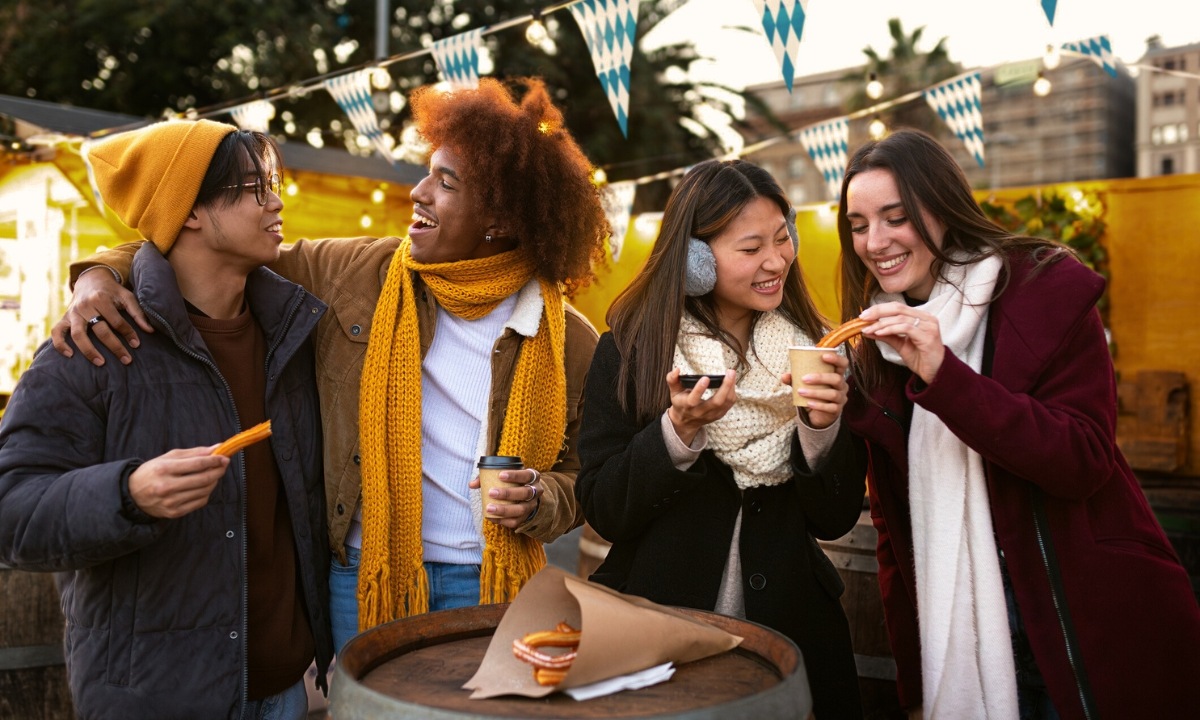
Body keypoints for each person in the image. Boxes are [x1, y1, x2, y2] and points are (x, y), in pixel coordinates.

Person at [52, 77, 609, 653]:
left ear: (503, 219)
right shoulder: (357, 272)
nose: (418, 192)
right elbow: (202, 253)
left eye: (446, 183)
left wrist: (544, 498)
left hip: (492, 582)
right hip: (364, 576)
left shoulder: (568, 340)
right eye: (427, 172)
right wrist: (98, 271)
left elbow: (585, 477)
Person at [838, 128, 1200, 719]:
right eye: (858, 224)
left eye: (895, 217)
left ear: (941, 207)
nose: (875, 242)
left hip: (1082, 621)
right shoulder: (875, 346)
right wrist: (914, 685)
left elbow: (1082, 460)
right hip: (961, 637)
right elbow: (893, 530)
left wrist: (944, 375)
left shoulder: (1042, 287)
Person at [0, 120, 332, 719]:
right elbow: (11, 511)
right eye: (255, 187)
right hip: (160, 699)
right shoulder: (95, 345)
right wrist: (127, 494)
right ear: (191, 212)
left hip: (288, 693)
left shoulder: (296, 334)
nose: (277, 201)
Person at [576, 159, 867, 718]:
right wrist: (677, 433)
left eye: (783, 239)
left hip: (791, 632)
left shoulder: (816, 351)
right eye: (751, 247)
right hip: (659, 637)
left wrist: (822, 428)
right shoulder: (632, 351)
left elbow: (833, 518)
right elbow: (605, 508)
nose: (776, 260)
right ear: (696, 261)